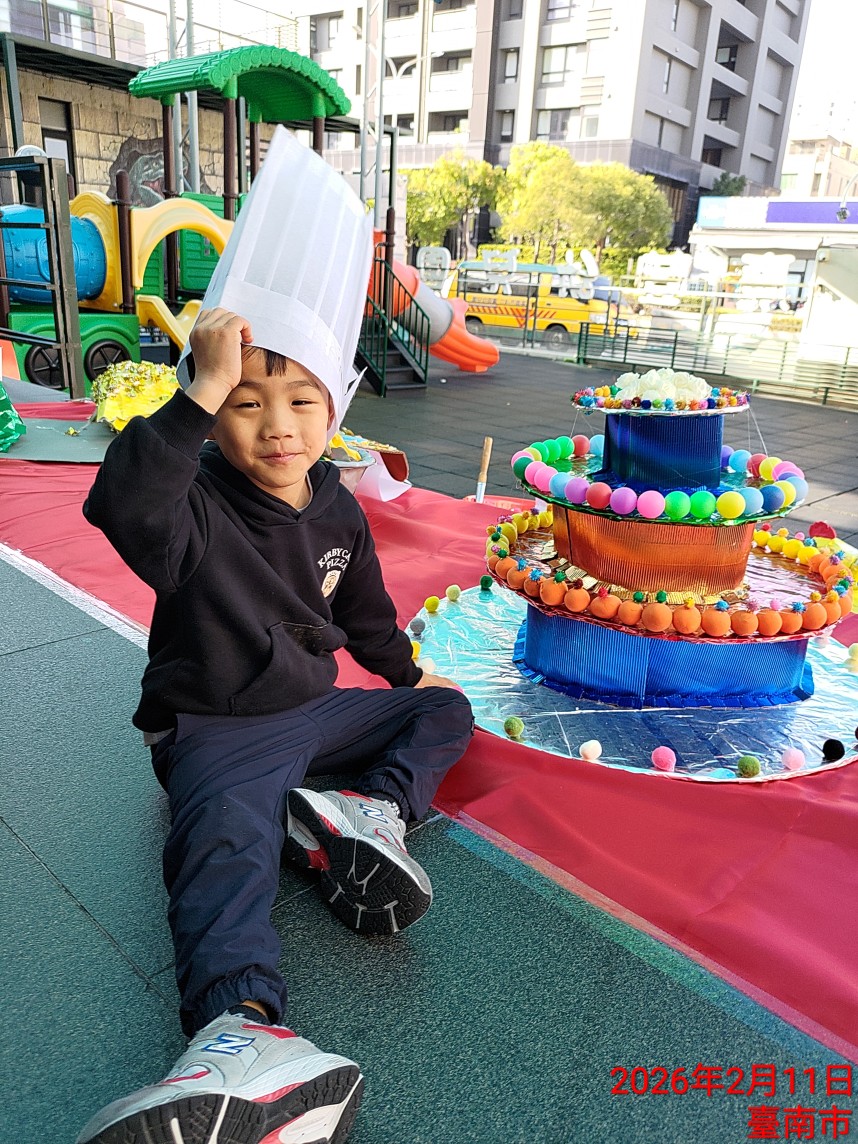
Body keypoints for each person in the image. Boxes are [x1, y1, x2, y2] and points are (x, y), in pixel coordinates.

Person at [76, 306, 474, 1144]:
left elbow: (365, 616)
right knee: (225, 844)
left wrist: (409, 675)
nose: (278, 427)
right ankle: (240, 1027)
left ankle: (371, 811)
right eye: (245, 402)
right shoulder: (192, 505)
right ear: (213, 416)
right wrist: (201, 384)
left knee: (445, 708)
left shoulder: (337, 508)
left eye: (301, 401)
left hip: (311, 713)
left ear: (334, 407)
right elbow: (120, 503)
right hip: (214, 724)